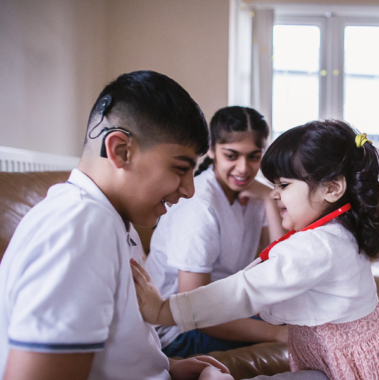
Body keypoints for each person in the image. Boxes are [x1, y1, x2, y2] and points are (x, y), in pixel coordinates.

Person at [132, 120, 379, 380]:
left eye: (284, 185)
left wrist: (164, 309)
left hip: (355, 364)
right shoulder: (335, 232)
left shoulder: (318, 246)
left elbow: (245, 290)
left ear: (332, 189)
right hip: (365, 352)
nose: (274, 193)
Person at [0, 70, 231, 380]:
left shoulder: (114, 217)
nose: (189, 190)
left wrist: (171, 367)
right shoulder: (81, 227)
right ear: (121, 150)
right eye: (180, 168)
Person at [145, 106, 288, 358]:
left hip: (223, 309)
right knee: (300, 329)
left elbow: (278, 268)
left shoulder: (254, 194)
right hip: (178, 330)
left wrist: (268, 199)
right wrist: (277, 334)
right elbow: (193, 310)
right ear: (212, 151)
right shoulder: (199, 205)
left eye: (254, 157)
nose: (243, 168)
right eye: (231, 156)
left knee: (307, 314)